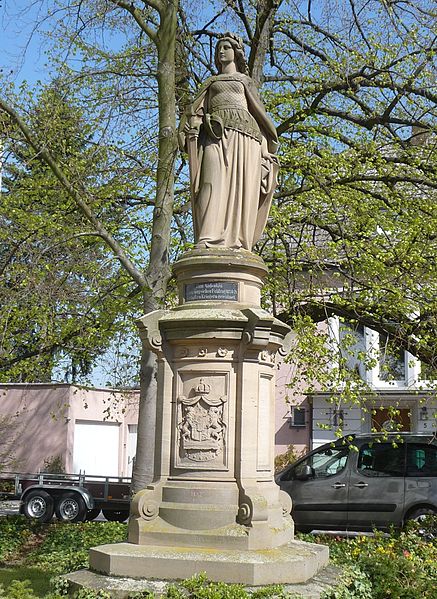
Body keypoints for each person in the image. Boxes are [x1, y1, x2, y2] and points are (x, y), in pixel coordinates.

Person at [179, 32, 279, 251]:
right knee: (209, 184)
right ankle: (208, 237)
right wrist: (193, 125)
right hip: (214, 135)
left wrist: (264, 151)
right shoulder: (210, 83)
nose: (221, 51)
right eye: (219, 48)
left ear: (236, 52)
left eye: (226, 47)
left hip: (245, 139)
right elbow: (193, 113)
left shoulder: (245, 82)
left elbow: (260, 118)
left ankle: (236, 240)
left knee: (241, 190)